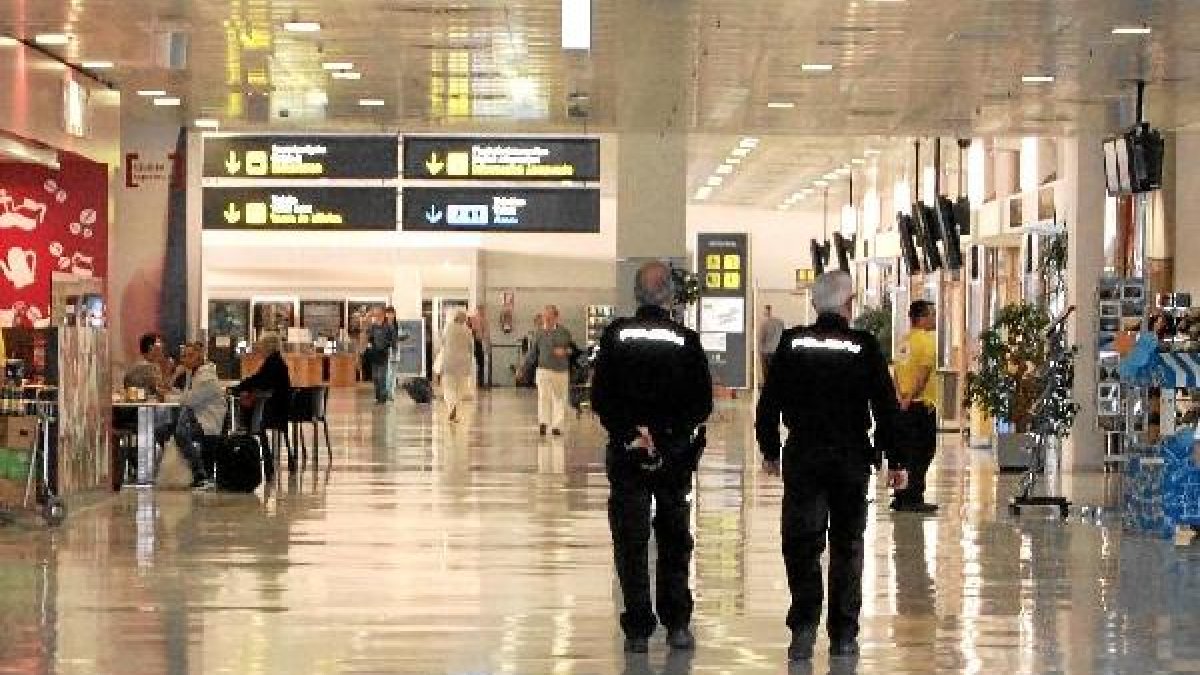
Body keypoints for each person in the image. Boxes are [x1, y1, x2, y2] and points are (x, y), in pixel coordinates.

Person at [755, 271, 907, 662]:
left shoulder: (793, 343)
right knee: (846, 545)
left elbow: (769, 402)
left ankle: (804, 627)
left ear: (815, 303)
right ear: (848, 303)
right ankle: (843, 634)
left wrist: (770, 448)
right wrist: (896, 458)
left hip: (804, 454)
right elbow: (885, 407)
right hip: (850, 457)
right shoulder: (863, 346)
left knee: (802, 543)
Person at [591, 260, 713, 654]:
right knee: (675, 540)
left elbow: (601, 397)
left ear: (636, 294)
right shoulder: (686, 339)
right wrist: (664, 436)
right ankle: (677, 623)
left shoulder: (615, 336)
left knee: (631, 541)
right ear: (670, 295)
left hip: (628, 454)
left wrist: (633, 435)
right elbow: (701, 402)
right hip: (674, 456)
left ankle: (638, 629)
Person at [891, 299, 939, 513]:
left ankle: (900, 495)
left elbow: (896, 373)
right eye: (932, 314)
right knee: (923, 452)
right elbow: (923, 375)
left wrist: (901, 398)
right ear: (922, 317)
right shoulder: (926, 341)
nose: (934, 319)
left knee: (903, 452)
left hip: (903, 405)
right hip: (920, 406)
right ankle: (914, 496)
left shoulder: (904, 341)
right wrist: (911, 398)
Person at [231, 333, 291, 472]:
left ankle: (244, 439)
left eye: (261, 346)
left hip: (271, 412)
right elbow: (260, 380)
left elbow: (260, 381)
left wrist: (240, 387)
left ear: (268, 347)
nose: (259, 349)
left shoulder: (273, 363)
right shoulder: (276, 361)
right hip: (280, 410)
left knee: (243, 405)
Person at [172, 342, 227, 490]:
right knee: (162, 431)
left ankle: (200, 472)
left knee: (180, 433)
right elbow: (184, 396)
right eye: (184, 356)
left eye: (190, 355)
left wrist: (177, 393)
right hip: (196, 418)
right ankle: (179, 472)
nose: (186, 360)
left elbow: (189, 400)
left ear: (200, 356)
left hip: (208, 421)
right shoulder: (193, 373)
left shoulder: (207, 377)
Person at [521, 306, 574, 436]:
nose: (547, 320)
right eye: (545, 317)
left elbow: (573, 350)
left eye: (549, 317)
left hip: (561, 371)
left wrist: (565, 351)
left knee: (559, 398)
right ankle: (543, 423)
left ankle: (557, 425)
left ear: (556, 317)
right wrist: (522, 368)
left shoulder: (565, 332)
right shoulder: (539, 333)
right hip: (543, 369)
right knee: (543, 397)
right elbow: (532, 353)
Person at [438, 311, 476, 422]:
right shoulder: (468, 331)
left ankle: (451, 407)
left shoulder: (448, 328)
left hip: (449, 362)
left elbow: (443, 343)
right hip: (464, 364)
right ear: (464, 320)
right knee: (461, 387)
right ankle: (455, 406)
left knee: (448, 387)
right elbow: (471, 348)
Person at [365, 309, 397, 405]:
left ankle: (382, 398)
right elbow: (369, 337)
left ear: (383, 315)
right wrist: (369, 345)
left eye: (378, 314)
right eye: (375, 315)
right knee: (375, 377)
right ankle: (377, 396)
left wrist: (391, 348)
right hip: (374, 354)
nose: (376, 316)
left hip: (384, 353)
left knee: (382, 377)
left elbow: (394, 340)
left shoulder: (389, 327)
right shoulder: (373, 326)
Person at [758, 304, 785, 385]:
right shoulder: (780, 322)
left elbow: (762, 339)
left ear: (767, 311)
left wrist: (760, 350)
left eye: (764, 310)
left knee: (766, 373)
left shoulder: (765, 323)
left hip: (766, 351)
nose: (763, 312)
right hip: (777, 351)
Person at [382, 306, 400, 401]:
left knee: (393, 374)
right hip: (386, 352)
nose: (390, 315)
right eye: (388, 313)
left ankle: (391, 393)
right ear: (385, 314)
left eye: (392, 313)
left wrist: (400, 338)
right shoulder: (383, 325)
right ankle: (386, 393)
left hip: (395, 351)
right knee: (387, 374)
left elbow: (398, 336)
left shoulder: (397, 325)